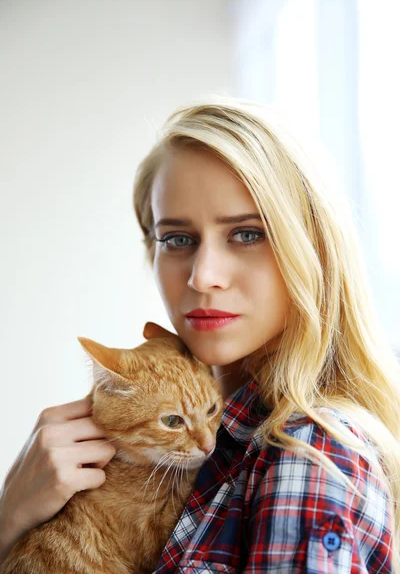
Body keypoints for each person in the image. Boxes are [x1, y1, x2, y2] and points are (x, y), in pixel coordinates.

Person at [1, 96, 399, 573]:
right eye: (178, 239)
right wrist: (11, 518)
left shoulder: (307, 455)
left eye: (247, 233)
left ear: (311, 249)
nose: (203, 276)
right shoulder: (224, 443)